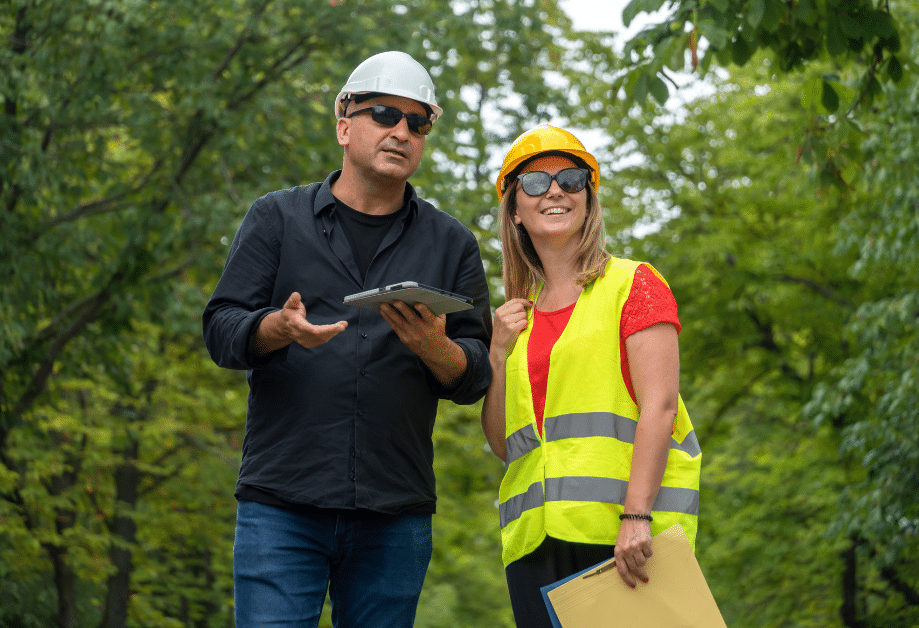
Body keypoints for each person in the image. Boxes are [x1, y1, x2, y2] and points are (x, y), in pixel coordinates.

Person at [202, 51, 492, 628]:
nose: (401, 131)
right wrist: (275, 329)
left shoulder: (452, 244)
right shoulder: (277, 219)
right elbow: (221, 329)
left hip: (395, 511)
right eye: (385, 114)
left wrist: (438, 349)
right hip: (281, 505)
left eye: (417, 122)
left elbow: (476, 374)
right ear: (344, 125)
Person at [480, 124, 702, 627]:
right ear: (515, 210)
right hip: (533, 544)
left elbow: (660, 406)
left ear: (589, 198)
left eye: (571, 179)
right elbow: (503, 445)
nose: (555, 190)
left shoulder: (634, 285)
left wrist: (636, 516)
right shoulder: (516, 320)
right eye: (535, 183)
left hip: (622, 540)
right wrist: (496, 355)